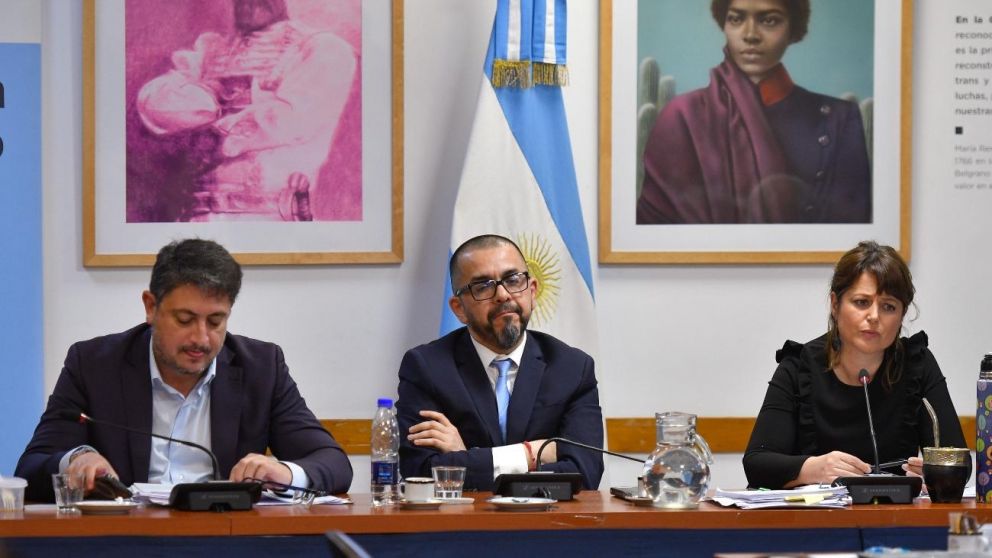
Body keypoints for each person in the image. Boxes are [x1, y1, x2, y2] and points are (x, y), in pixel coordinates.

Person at [16, 239, 352, 501]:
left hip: (224, 542)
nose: (201, 338)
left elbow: (333, 463)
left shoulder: (261, 368)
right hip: (125, 542)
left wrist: (286, 473)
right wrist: (75, 460)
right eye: (185, 320)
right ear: (151, 307)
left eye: (216, 321)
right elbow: (30, 469)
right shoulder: (93, 364)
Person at [743, 241, 965, 489]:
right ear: (835, 305)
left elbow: (958, 462)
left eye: (888, 306)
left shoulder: (917, 364)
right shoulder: (798, 367)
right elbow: (757, 463)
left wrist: (938, 475)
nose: (874, 316)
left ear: (901, 316)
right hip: (817, 522)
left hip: (894, 520)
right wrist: (812, 469)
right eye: (861, 302)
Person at [395, 235, 604, 491]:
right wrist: (529, 454)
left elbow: (585, 473)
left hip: (549, 525)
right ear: (459, 309)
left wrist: (466, 456)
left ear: (533, 291)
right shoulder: (426, 368)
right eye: (483, 286)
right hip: (461, 526)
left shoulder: (572, 368)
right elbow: (420, 473)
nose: (503, 295)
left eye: (514, 280)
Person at [637, 0, 872, 224]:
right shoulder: (681, 116)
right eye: (736, 19)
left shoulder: (838, 119)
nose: (750, 34)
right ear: (724, 24)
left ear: (794, 29)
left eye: (769, 21)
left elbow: (849, 233)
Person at [134, 0, 357, 221]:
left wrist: (214, 133)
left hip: (272, 223)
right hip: (198, 221)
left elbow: (290, 119)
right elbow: (153, 102)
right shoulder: (210, 51)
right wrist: (208, 97)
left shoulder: (322, 49)